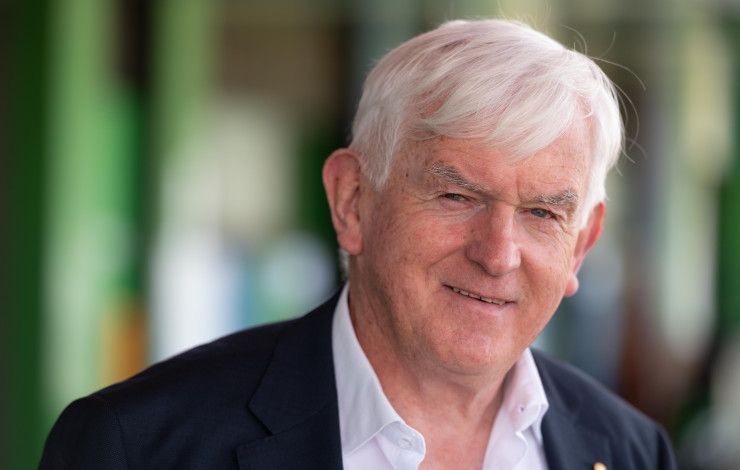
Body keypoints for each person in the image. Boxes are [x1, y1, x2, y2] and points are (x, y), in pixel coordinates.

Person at [40, 19, 676, 469]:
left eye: (541, 213)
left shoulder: (630, 452)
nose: (498, 253)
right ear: (352, 200)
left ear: (582, 244)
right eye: (457, 197)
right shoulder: (136, 448)